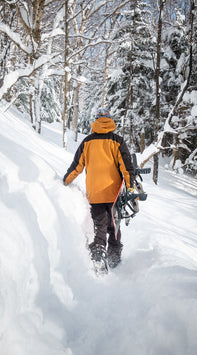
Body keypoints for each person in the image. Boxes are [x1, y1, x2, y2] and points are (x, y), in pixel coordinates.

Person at [63, 108, 135, 268]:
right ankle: (114, 259)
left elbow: (77, 167)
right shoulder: (118, 141)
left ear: (95, 120)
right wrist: (130, 188)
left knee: (99, 227)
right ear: (110, 119)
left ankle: (97, 257)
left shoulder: (87, 142)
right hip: (115, 195)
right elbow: (127, 168)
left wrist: (64, 182)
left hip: (95, 194)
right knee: (114, 227)